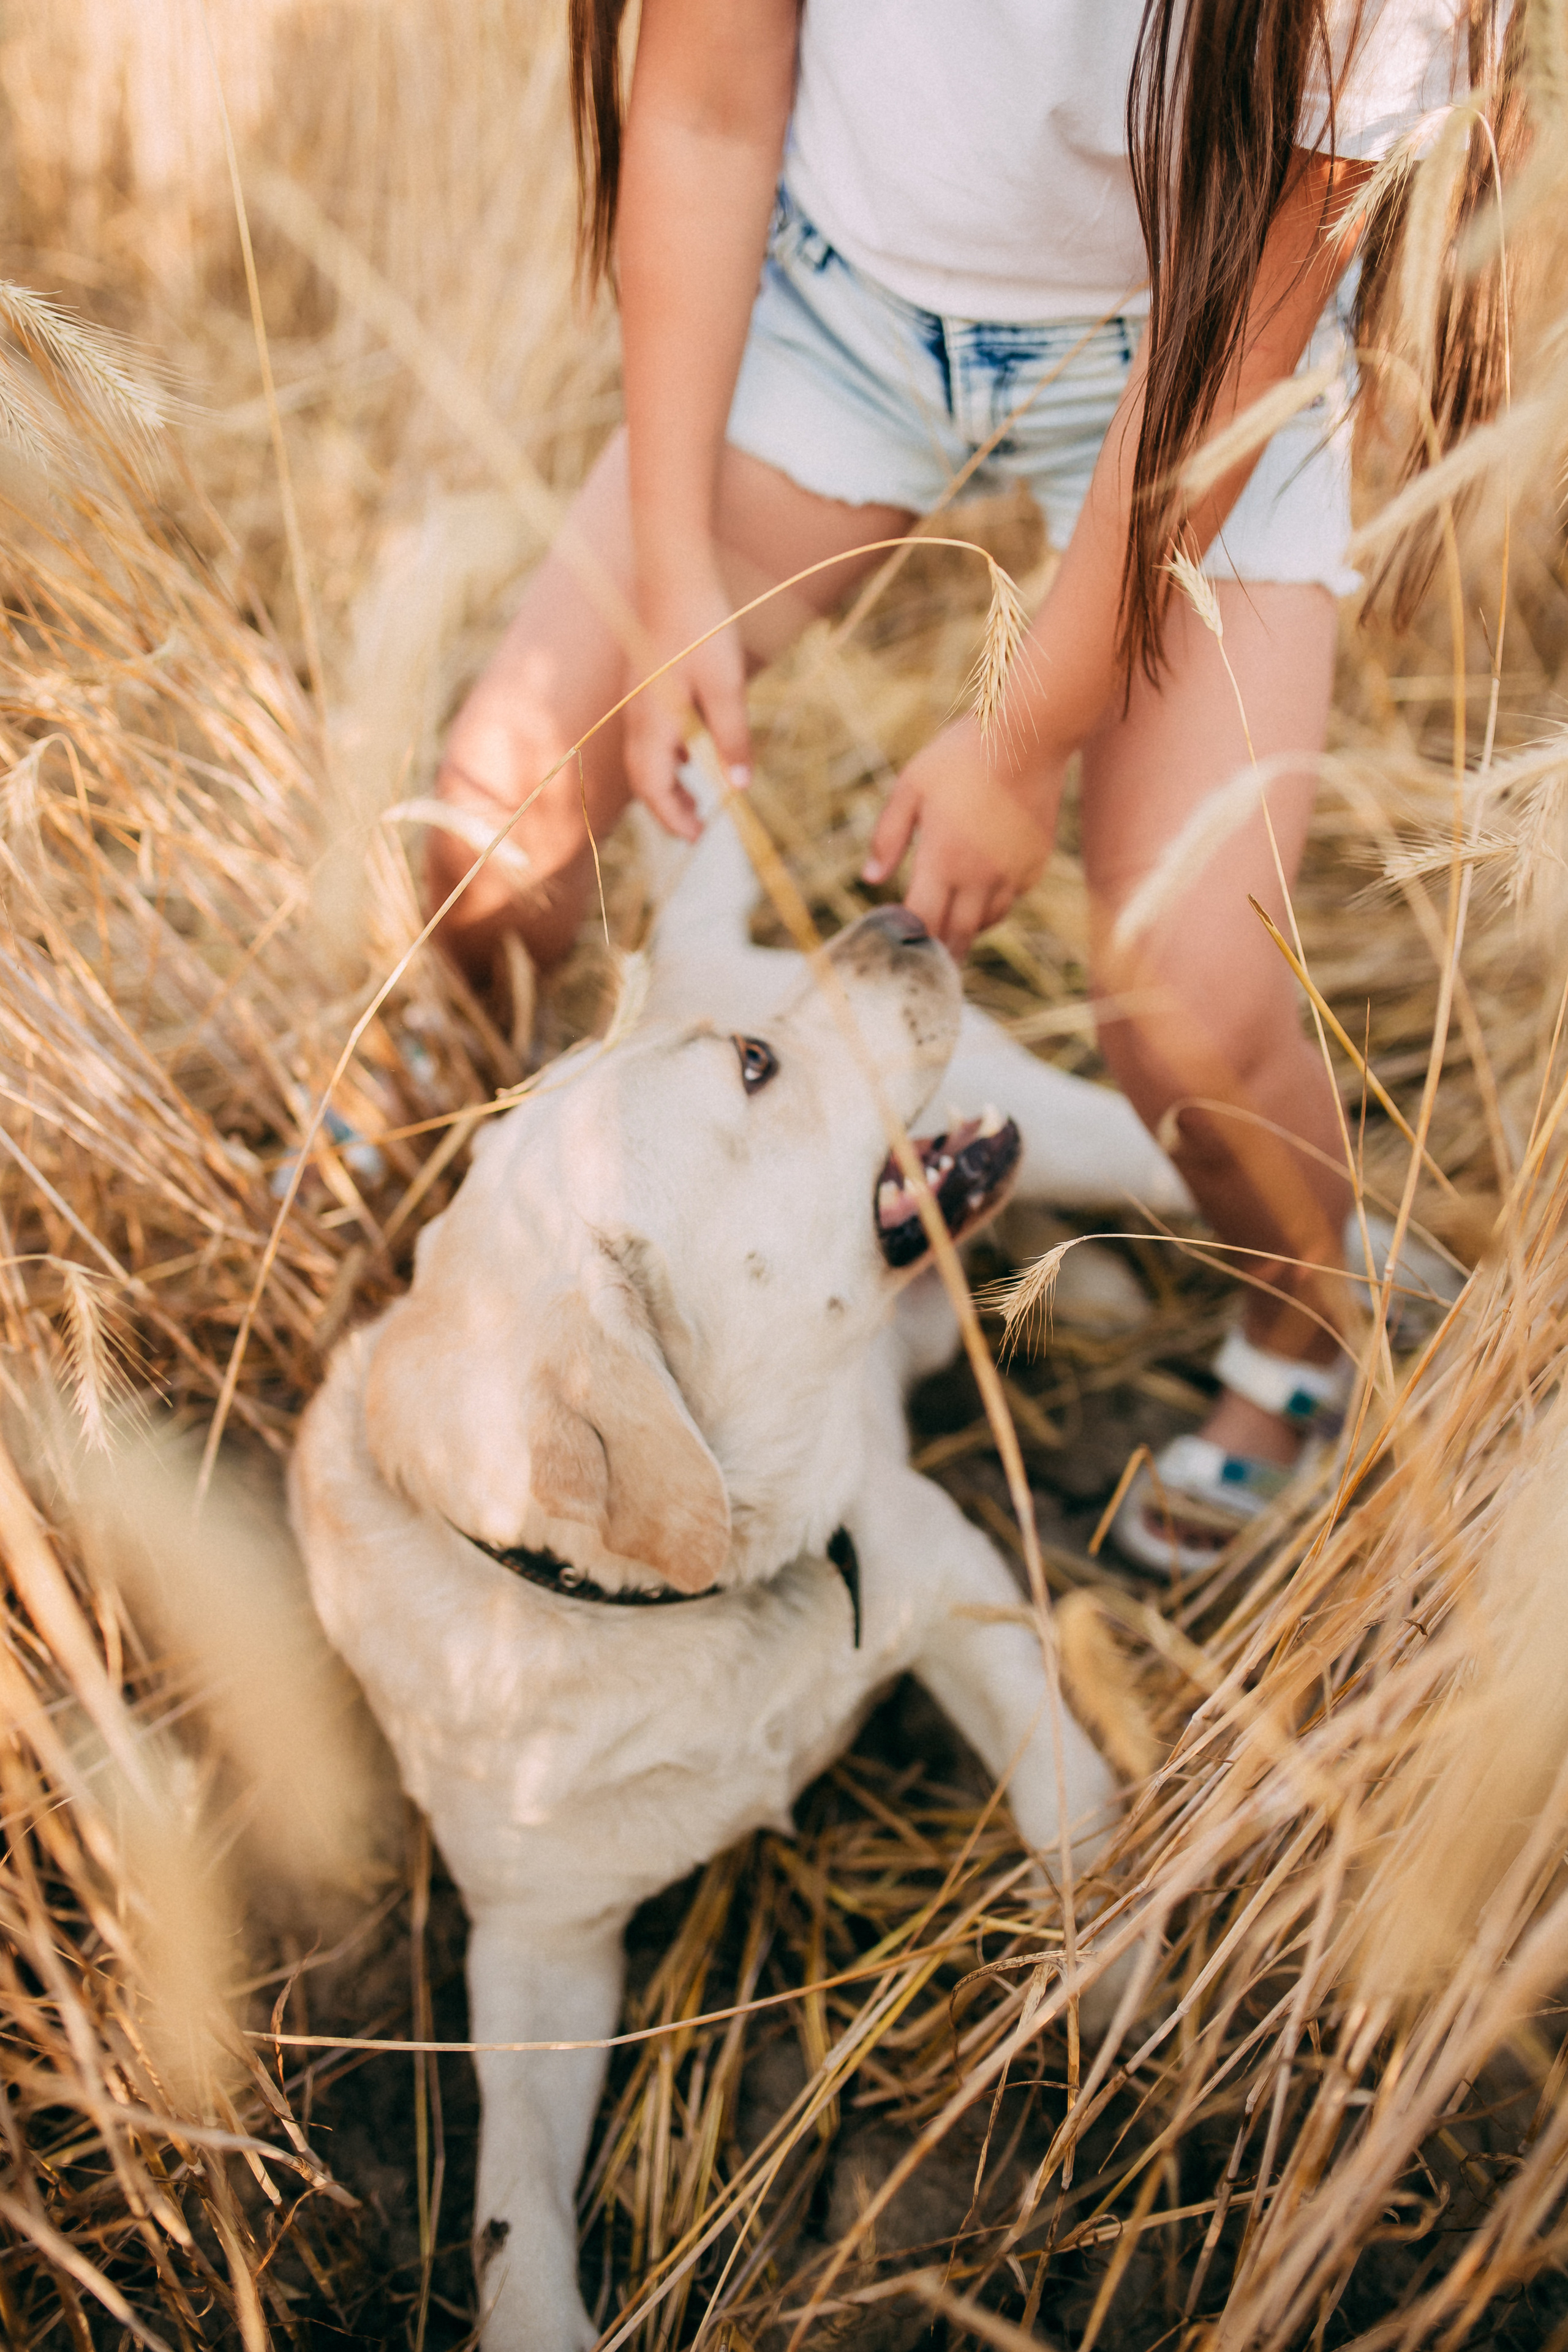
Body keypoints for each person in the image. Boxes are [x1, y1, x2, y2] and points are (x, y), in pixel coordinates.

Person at [426, 0, 1512, 1572]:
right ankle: (457, 1134)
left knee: (1187, 1000)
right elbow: (706, 109)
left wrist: (1018, 738)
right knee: (489, 832)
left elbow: (1247, 319)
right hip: (834, 308)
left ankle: (1305, 1329)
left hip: (1199, 361)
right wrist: (673, 577)